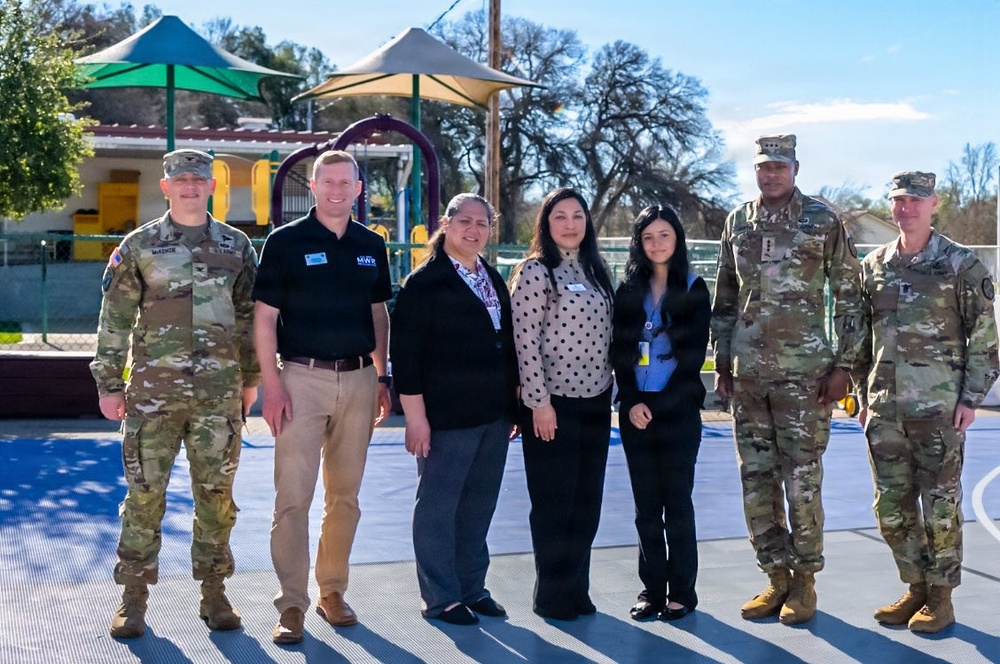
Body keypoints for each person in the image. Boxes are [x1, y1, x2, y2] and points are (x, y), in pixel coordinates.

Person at [91, 149, 259, 639]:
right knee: (144, 497)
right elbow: (114, 320)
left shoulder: (236, 246)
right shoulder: (139, 245)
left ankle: (214, 594)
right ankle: (132, 599)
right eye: (180, 179)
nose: (189, 186)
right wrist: (109, 384)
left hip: (218, 397)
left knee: (216, 498)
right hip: (152, 397)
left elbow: (249, 319)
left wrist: (251, 380)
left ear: (211, 186)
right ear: (165, 187)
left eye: (198, 179)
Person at [711, 134, 863, 625]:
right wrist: (724, 363)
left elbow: (850, 296)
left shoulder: (822, 220)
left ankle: (804, 582)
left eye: (780, 166)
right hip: (749, 380)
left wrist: (845, 366)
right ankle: (775, 576)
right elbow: (725, 300)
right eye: (764, 166)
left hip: (805, 379)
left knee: (802, 484)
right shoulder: (737, 222)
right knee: (756, 482)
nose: (771, 173)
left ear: (795, 168)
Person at [252, 150, 392, 644]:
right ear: (312, 187)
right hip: (300, 380)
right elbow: (264, 318)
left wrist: (382, 376)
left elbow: (378, 314)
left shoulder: (371, 244)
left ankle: (332, 591)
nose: (336, 190)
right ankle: (291, 603)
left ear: (358, 189)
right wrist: (271, 385)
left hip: (358, 380)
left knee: (345, 497)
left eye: (345, 182)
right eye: (327, 181)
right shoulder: (285, 242)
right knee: (293, 498)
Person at [854, 171, 999, 633]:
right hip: (884, 411)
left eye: (916, 200)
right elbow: (860, 338)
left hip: (939, 410)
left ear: (933, 203)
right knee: (891, 511)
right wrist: (862, 396)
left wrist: (971, 398)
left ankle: (941, 597)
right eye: (899, 200)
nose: (906, 208)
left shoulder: (960, 264)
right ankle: (915, 587)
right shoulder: (873, 265)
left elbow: (985, 337)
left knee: (940, 509)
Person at [391, 193, 520, 626]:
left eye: (482, 223)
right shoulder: (425, 283)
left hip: (493, 416)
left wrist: (512, 408)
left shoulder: (492, 278)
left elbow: (507, 346)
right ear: (446, 224)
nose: (473, 229)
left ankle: (471, 588)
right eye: (465, 221)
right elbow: (406, 358)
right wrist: (415, 419)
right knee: (438, 509)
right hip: (445, 420)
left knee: (478, 507)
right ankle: (441, 597)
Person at [509, 187, 615, 620]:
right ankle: (551, 594)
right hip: (552, 405)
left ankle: (576, 588)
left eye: (577, 216)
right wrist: (538, 402)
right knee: (555, 502)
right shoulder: (536, 272)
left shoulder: (597, 270)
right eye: (560, 217)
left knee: (586, 501)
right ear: (546, 224)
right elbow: (524, 340)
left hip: (596, 401)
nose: (570, 225)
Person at [611, 205, 711, 622]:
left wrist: (656, 406)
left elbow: (692, 361)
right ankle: (651, 590)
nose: (656, 244)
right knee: (646, 508)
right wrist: (632, 401)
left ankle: (682, 592)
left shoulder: (693, 287)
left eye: (664, 235)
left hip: (676, 414)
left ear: (677, 240)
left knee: (677, 504)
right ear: (639, 242)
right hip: (635, 414)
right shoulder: (628, 289)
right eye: (648, 237)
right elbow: (620, 352)